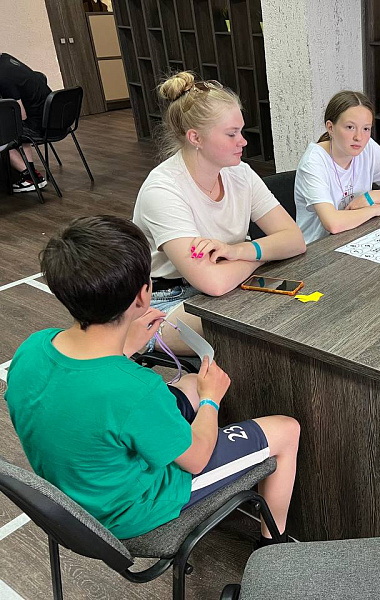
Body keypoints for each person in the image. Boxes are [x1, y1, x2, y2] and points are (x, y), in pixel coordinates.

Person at [5, 216, 300, 546]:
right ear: (143, 295)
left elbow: (84, 398)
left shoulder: (32, 347)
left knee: (190, 384)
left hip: (76, 499)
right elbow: (196, 460)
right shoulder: (136, 389)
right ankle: (272, 548)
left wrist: (125, 348)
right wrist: (211, 400)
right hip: (133, 511)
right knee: (286, 430)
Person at [133, 72, 305, 356]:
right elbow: (212, 283)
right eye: (231, 133)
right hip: (163, 305)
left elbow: (294, 240)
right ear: (195, 137)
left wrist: (237, 252)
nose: (243, 141)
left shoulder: (241, 174)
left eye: (241, 131)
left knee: (290, 311)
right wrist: (260, 254)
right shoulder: (162, 190)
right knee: (256, 331)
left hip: (229, 279)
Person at [294, 91, 380, 244]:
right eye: (350, 127)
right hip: (319, 249)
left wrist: (372, 197)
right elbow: (333, 224)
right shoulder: (313, 162)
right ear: (330, 127)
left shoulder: (368, 148)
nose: (359, 137)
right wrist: (374, 209)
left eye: (366, 129)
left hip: (357, 238)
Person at [0, 53, 50, 193]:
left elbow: (21, 116)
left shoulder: (3, 77)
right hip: (51, 118)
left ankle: (30, 176)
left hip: (38, 126)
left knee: (4, 135)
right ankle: (30, 173)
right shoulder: (6, 59)